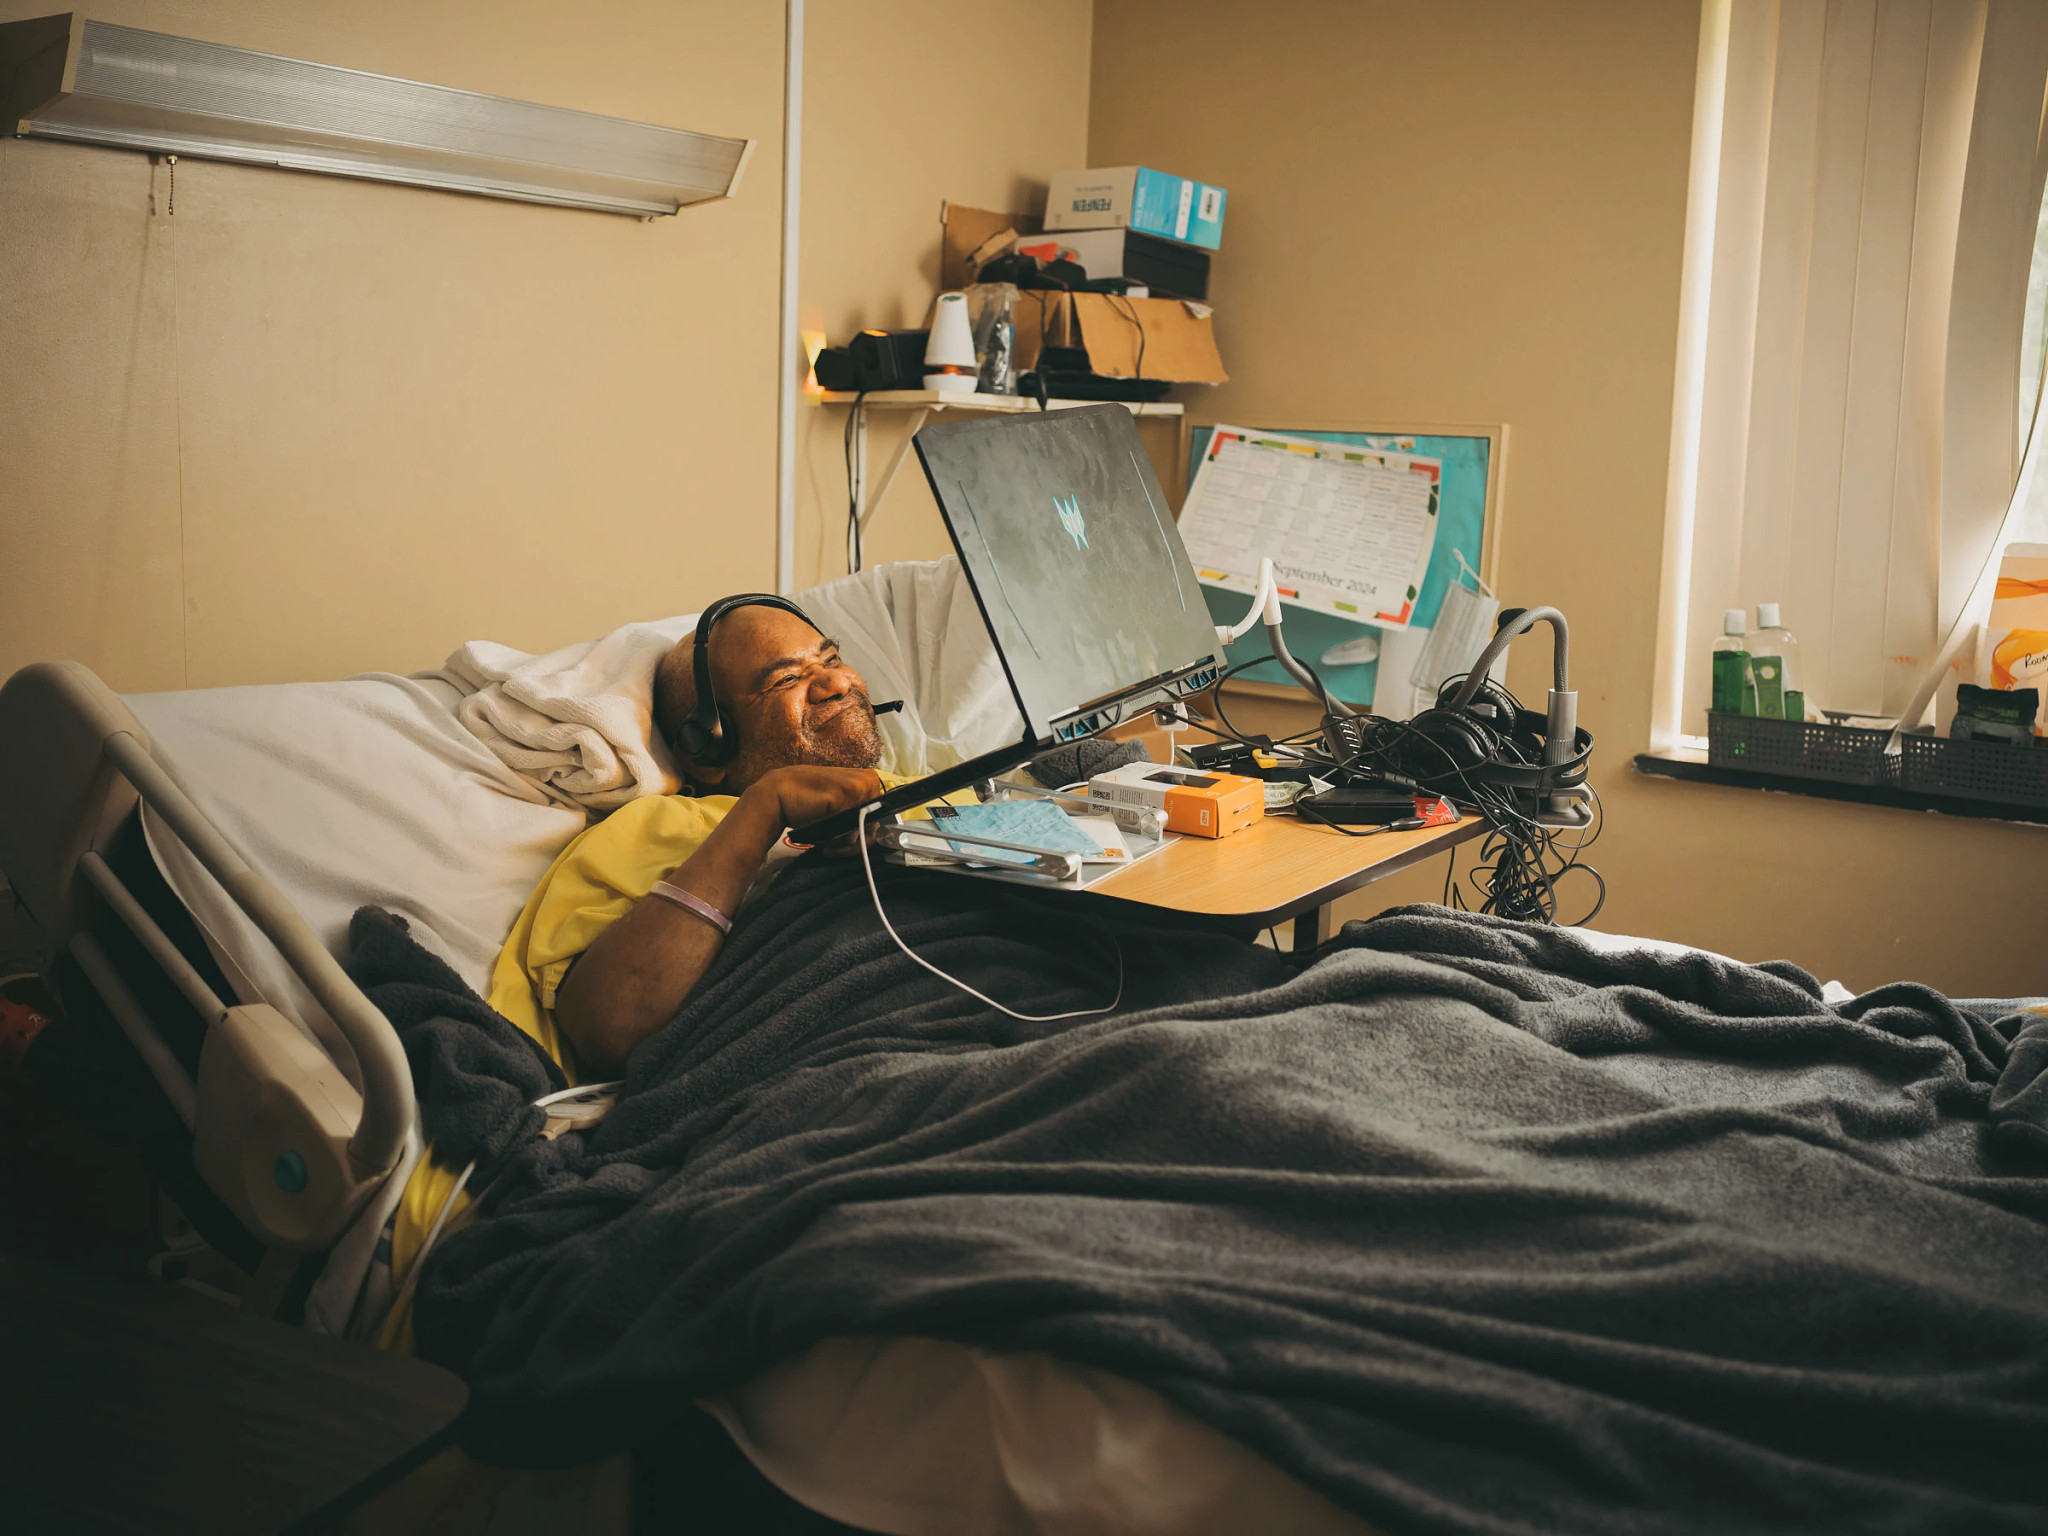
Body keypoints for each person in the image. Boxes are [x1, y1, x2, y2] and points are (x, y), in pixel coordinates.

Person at [486, 596, 910, 1079]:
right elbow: (610, 1028)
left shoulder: (938, 786)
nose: (837, 683)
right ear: (708, 746)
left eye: (831, 659)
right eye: (787, 679)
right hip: (845, 1060)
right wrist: (765, 807)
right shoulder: (657, 827)